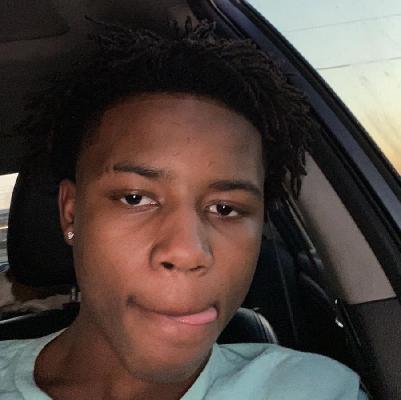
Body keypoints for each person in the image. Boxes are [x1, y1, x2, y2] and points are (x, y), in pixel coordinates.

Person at [0, 19, 367, 400]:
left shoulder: (317, 390)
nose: (188, 252)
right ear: (71, 212)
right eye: (135, 198)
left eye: (224, 208)